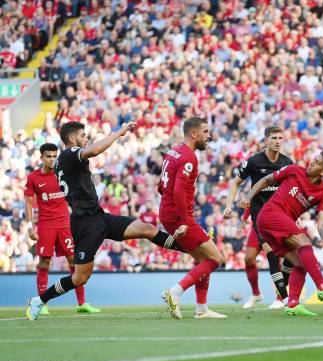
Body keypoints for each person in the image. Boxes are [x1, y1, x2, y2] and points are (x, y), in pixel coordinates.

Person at [26, 121, 186, 321]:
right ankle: (39, 301)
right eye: (83, 135)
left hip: (98, 216)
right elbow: (93, 151)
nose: (86, 138)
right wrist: (118, 133)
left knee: (147, 229)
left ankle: (190, 247)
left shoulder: (63, 161)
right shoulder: (68, 154)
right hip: (84, 224)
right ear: (71, 139)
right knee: (80, 277)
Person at [238, 152, 323, 316]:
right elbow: (266, 180)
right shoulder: (294, 170)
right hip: (269, 214)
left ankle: (292, 303)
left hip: (275, 225)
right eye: (314, 159)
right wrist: (248, 196)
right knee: (304, 242)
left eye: (317, 163)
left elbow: (322, 220)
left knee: (300, 264)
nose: (312, 162)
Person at [159, 117, 227, 320]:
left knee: (202, 259)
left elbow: (162, 186)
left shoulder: (174, 151)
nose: (209, 136)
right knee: (216, 259)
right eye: (206, 132)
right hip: (178, 216)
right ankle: (175, 292)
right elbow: (179, 190)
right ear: (194, 134)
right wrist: (185, 221)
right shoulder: (189, 157)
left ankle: (202, 309)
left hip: (169, 211)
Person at [24, 143, 100, 315]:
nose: (52, 159)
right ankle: (42, 303)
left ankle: (81, 303)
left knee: (74, 261)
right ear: (41, 157)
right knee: (44, 262)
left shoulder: (63, 171)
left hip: (65, 223)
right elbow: (28, 203)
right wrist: (30, 226)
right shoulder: (33, 178)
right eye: (48, 156)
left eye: (54, 156)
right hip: (45, 225)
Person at [224, 126, 293, 310]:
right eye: (274, 138)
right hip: (259, 219)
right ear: (266, 140)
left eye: (280, 137)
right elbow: (236, 183)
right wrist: (229, 204)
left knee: (275, 255)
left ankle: (281, 298)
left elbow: (293, 191)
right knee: (248, 259)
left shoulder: (287, 162)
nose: (278, 141)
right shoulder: (254, 161)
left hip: (279, 218)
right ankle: (257, 294)